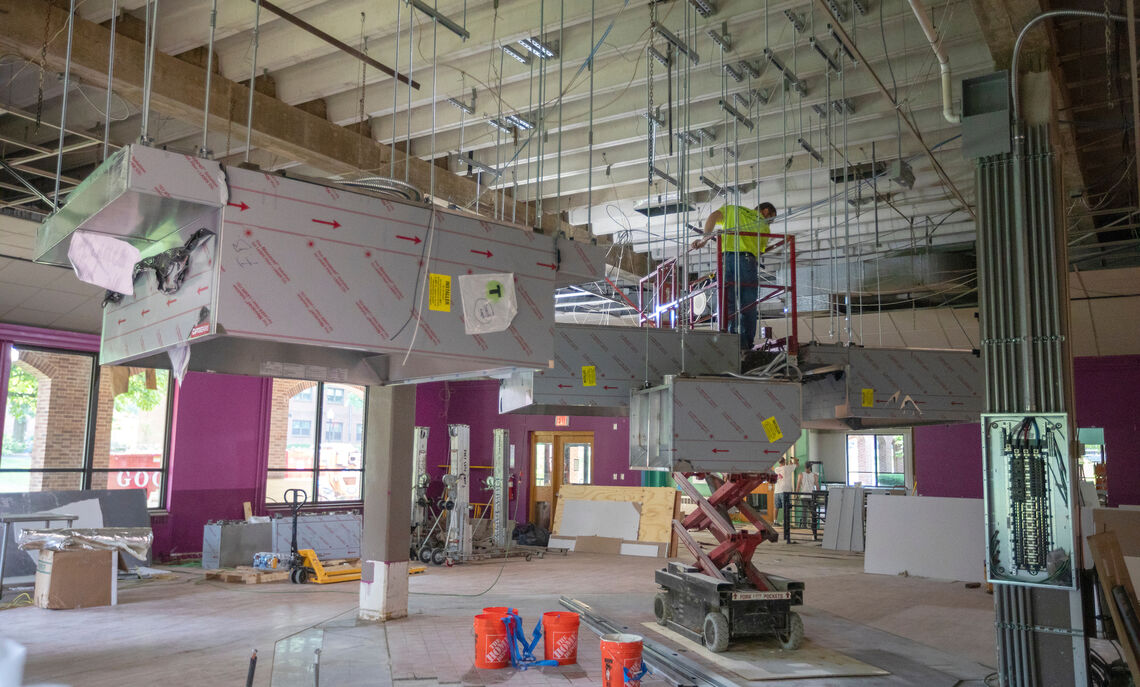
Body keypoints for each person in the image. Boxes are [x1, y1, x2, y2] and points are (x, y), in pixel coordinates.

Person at [692, 202, 777, 350]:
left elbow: (712, 217)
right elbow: (758, 251)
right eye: (771, 218)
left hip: (727, 261)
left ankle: (728, 342)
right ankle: (745, 345)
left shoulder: (732, 209)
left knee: (727, 303)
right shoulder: (764, 226)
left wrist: (704, 239)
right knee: (748, 305)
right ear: (765, 211)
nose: (770, 222)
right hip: (747, 262)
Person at [772, 455, 798, 526]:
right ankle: (785, 522)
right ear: (784, 461)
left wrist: (789, 465)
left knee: (776, 507)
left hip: (777, 490)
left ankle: (775, 521)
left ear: (779, 462)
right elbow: (797, 464)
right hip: (785, 490)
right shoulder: (788, 468)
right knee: (785, 507)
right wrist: (793, 459)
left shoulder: (776, 469)